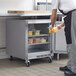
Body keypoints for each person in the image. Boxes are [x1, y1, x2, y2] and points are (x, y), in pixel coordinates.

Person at [51, 0, 76, 76]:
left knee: (71, 42)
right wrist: (60, 26)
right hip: (72, 16)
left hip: (73, 16)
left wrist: (52, 27)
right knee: (72, 41)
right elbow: (71, 12)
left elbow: (53, 15)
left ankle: (74, 70)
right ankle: (70, 65)